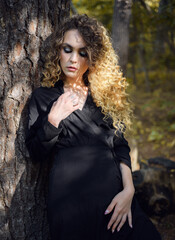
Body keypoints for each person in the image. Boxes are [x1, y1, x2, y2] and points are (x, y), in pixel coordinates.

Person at [25, 14, 161, 240]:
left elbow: (120, 146)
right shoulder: (44, 97)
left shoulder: (103, 98)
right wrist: (53, 120)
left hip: (116, 202)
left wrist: (129, 190)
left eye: (83, 52)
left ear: (93, 58)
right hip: (70, 207)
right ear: (58, 50)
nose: (73, 59)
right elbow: (36, 152)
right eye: (67, 49)